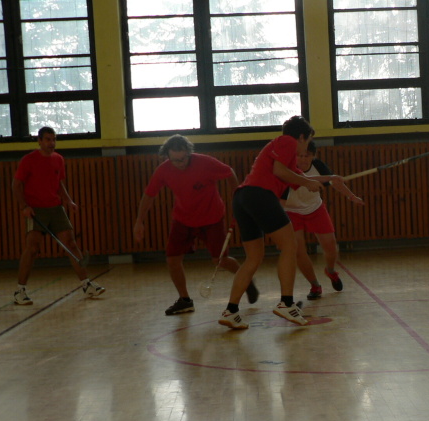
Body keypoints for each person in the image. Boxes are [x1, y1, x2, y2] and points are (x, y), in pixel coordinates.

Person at [219, 115, 340, 329]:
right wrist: (306, 182)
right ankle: (286, 303)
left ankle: (231, 311)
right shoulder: (286, 142)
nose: (305, 146)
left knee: (253, 258)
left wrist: (330, 179)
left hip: (243, 198)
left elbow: (300, 177)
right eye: (307, 140)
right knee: (290, 246)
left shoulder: (285, 158)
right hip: (260, 195)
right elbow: (280, 171)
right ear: (301, 137)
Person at [133, 134, 257, 316]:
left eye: (184, 159)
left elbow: (229, 172)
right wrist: (139, 221)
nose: (180, 163)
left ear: (189, 153)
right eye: (175, 160)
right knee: (172, 259)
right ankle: (185, 300)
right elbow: (149, 195)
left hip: (212, 218)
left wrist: (237, 199)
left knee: (220, 260)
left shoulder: (204, 162)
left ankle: (247, 281)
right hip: (183, 220)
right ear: (167, 156)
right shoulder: (163, 170)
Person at [12, 126, 106, 305]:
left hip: (56, 208)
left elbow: (59, 183)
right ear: (39, 141)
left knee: (71, 243)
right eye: (47, 139)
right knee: (32, 248)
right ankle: (20, 291)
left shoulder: (58, 159)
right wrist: (24, 206)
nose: (51, 143)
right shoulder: (28, 160)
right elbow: (16, 185)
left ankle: (87, 285)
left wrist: (68, 201)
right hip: (35, 209)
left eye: (54, 140)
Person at [282, 140, 364, 300]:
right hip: (291, 212)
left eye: (307, 156)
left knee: (331, 246)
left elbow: (334, 182)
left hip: (315, 208)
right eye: (300, 156)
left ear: (313, 156)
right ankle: (315, 285)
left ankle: (331, 271)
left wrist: (351, 196)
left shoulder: (318, 165)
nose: (303, 159)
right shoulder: (287, 169)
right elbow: (305, 179)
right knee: (298, 251)